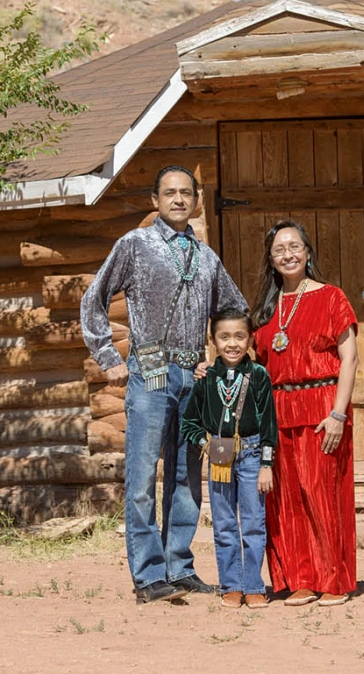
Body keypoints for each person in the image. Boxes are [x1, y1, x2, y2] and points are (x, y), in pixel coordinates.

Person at [81, 165, 247, 605]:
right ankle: (149, 574)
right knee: (141, 478)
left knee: (188, 476)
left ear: (195, 201)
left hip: (193, 378)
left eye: (186, 193)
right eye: (169, 193)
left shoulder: (206, 256)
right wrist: (107, 357)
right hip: (149, 374)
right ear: (154, 201)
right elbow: (93, 299)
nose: (178, 200)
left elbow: (233, 308)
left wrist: (218, 358)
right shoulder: (135, 246)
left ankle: (179, 565)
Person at [251, 220, 359, 607]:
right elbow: (256, 367)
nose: (288, 255)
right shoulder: (266, 309)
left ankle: (333, 579)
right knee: (286, 499)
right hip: (278, 411)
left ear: (308, 252)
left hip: (322, 406)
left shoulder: (332, 297)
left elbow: (350, 359)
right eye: (279, 250)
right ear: (271, 259)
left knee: (322, 494)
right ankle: (299, 578)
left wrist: (338, 415)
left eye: (294, 246)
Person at [181, 308, 277, 610]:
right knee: (223, 524)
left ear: (249, 339)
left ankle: (253, 585)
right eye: (224, 337)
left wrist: (266, 465)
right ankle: (231, 585)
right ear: (213, 341)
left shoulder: (259, 376)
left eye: (239, 336)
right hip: (219, 457)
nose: (232, 343)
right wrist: (205, 444)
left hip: (250, 455)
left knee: (252, 523)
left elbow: (269, 426)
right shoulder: (206, 378)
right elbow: (190, 422)